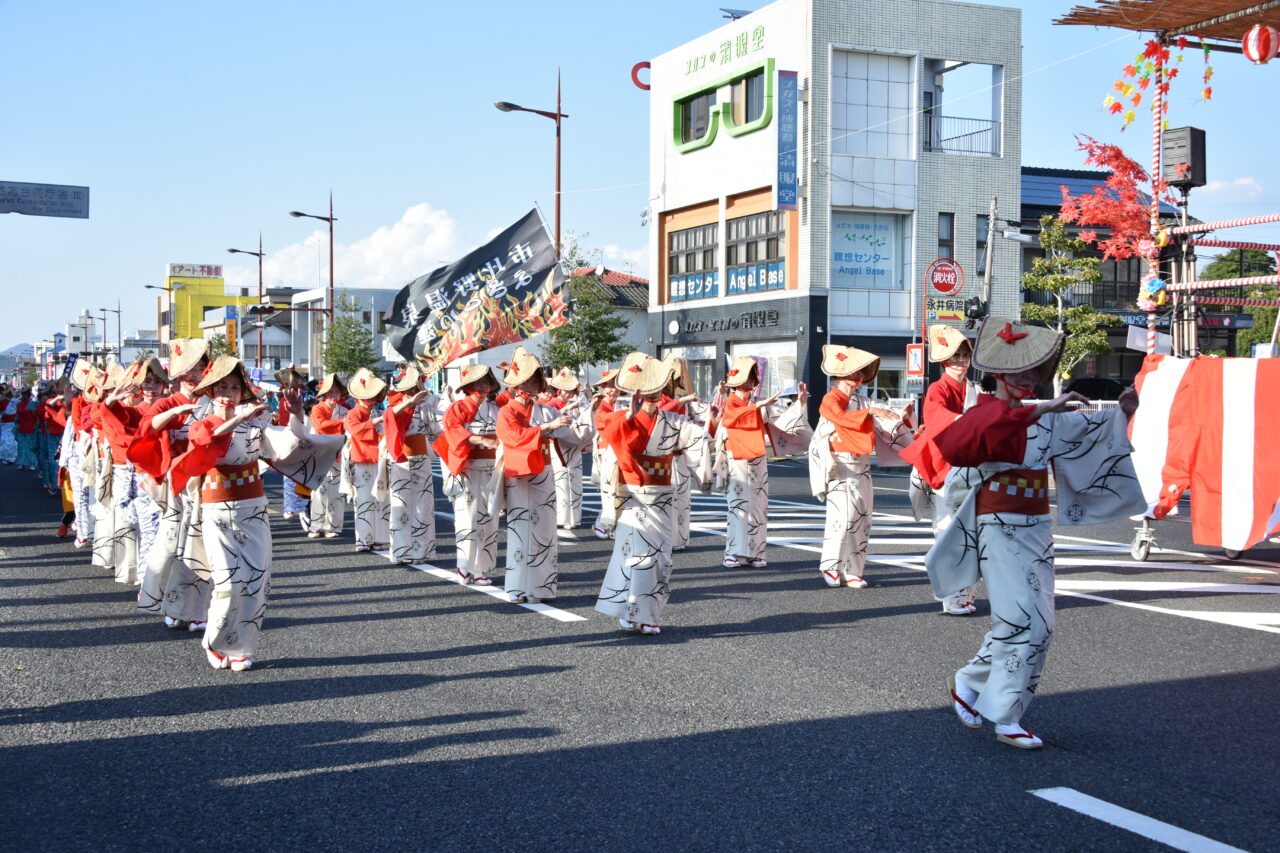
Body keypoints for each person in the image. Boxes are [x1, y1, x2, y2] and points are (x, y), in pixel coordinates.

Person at [928, 318, 1143, 749]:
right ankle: (1007, 716)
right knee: (1024, 619)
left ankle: (968, 681)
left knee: (1039, 623)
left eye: (1034, 370)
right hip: (998, 526)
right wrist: (1039, 410)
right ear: (1000, 374)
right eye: (1021, 371)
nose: (1029, 378)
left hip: (1036, 527)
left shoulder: (1044, 415)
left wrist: (1123, 412)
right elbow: (956, 444)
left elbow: (1090, 436)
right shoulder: (987, 412)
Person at [171, 355, 339, 671]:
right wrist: (240, 417)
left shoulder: (255, 421)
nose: (228, 394)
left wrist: (296, 412)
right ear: (210, 390)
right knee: (229, 582)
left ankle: (242, 648)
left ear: (243, 391)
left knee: (256, 580)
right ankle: (217, 641)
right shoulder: (202, 421)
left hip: (254, 506)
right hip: (218, 508)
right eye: (221, 387)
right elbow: (209, 442)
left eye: (234, 387)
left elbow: (287, 445)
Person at [596, 352, 709, 635]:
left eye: (656, 390)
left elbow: (696, 438)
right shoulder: (622, 416)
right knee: (639, 556)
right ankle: (637, 614)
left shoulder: (672, 420)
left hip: (662, 494)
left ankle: (646, 613)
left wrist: (715, 425)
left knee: (661, 557)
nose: (652, 395)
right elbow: (608, 434)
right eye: (648, 391)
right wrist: (631, 416)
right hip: (634, 494)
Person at [807, 345, 915, 588]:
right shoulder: (831, 398)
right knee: (842, 518)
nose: (857, 380)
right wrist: (870, 412)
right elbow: (839, 417)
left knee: (862, 518)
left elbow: (884, 422)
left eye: (860, 375)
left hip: (862, 465)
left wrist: (903, 416)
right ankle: (830, 565)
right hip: (840, 465)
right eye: (853, 375)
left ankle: (854, 569)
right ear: (840, 376)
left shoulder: (864, 401)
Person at [128, 338, 212, 629]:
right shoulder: (167, 403)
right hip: (176, 484)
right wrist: (174, 414)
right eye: (188, 369)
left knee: (204, 545)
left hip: (207, 483)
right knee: (173, 545)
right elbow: (147, 427)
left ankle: (200, 610)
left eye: (200, 368)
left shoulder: (215, 401)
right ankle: (172, 603)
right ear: (177, 375)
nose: (194, 374)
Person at [903, 325, 983, 614]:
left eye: (964, 356)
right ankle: (951, 597)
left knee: (970, 533)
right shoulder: (937, 389)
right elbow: (938, 420)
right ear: (944, 361)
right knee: (949, 531)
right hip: (947, 470)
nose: (961, 362)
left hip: (969, 468)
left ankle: (966, 595)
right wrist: (968, 420)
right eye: (955, 357)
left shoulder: (974, 388)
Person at [495, 349, 578, 602]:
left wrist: (583, 416)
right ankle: (518, 587)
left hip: (544, 469)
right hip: (519, 473)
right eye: (526, 380)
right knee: (521, 528)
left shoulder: (543, 410)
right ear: (516, 383)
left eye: (534, 380)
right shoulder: (507, 411)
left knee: (544, 529)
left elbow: (572, 436)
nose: (530, 385)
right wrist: (546, 428)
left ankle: (541, 587)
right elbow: (511, 437)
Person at [714, 357, 810, 568]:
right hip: (737, 456)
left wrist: (799, 403)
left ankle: (756, 552)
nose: (749, 382)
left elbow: (780, 422)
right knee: (738, 505)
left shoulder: (761, 404)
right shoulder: (732, 402)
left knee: (758, 506)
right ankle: (733, 552)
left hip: (757, 457)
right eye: (745, 378)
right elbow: (730, 419)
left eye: (751, 378)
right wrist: (758, 405)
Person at [434, 365, 503, 585]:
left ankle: (482, 569)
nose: (483, 386)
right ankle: (465, 566)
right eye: (478, 382)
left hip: (493, 467)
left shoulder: (496, 409)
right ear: (469, 386)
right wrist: (480, 439)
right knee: (468, 516)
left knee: (489, 519)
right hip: (469, 467)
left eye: (486, 382)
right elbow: (453, 429)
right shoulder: (459, 407)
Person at [382, 364, 442, 564]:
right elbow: (389, 417)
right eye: (407, 389)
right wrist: (410, 403)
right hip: (401, 459)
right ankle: (400, 550)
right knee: (400, 504)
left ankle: (421, 551)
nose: (411, 392)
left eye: (414, 388)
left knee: (423, 505)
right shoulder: (395, 406)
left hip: (421, 458)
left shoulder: (427, 404)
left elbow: (438, 427)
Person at [658, 359, 708, 552]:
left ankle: (680, 538)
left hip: (680, 456)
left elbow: (699, 420)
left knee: (683, 498)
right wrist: (682, 400)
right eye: (674, 380)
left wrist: (714, 409)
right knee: (667, 498)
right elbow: (660, 413)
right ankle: (667, 539)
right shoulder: (659, 400)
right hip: (663, 456)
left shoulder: (680, 401)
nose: (675, 384)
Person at [344, 368, 390, 553]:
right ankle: (363, 538)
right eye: (370, 396)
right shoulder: (353, 413)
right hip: (362, 458)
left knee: (381, 498)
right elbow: (355, 430)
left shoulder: (375, 411)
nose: (373, 399)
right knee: (363, 499)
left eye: (375, 395)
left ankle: (380, 538)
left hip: (377, 457)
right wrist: (376, 422)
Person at [546, 367, 593, 530]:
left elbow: (587, 420)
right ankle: (560, 517)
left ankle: (574, 519)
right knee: (560, 482)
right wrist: (565, 410)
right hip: (558, 446)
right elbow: (548, 424)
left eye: (571, 391)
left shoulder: (578, 404)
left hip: (574, 447)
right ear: (559, 390)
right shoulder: (551, 404)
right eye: (565, 391)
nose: (568, 394)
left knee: (575, 482)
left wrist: (588, 398)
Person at [307, 373, 350, 539]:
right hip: (320, 454)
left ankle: (333, 526)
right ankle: (316, 525)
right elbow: (322, 426)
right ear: (324, 394)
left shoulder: (344, 411)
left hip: (339, 454)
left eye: (336, 392)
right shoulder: (317, 408)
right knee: (319, 491)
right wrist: (341, 422)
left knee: (336, 492)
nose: (334, 395)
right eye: (330, 392)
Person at [589, 369, 621, 540]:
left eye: (615, 386)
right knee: (608, 489)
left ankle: (606, 524)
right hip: (604, 451)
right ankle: (603, 523)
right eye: (608, 386)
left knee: (615, 490)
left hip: (618, 450)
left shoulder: (622, 403)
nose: (612, 390)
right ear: (602, 387)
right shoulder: (599, 404)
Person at [14, 387, 39, 471]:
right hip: (22, 426)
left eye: (26, 394)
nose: (25, 396)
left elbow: (36, 414)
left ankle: (33, 463)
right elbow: (19, 414)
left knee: (31, 446)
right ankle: (21, 463)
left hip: (32, 426)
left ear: (29, 395)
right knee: (21, 447)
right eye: (23, 394)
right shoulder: (19, 404)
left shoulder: (34, 403)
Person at [0, 386, 16, 464]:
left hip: (12, 423)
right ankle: (6, 456)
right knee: (5, 440)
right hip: (4, 423)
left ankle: (10, 457)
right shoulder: (3, 401)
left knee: (10, 440)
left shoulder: (15, 401)